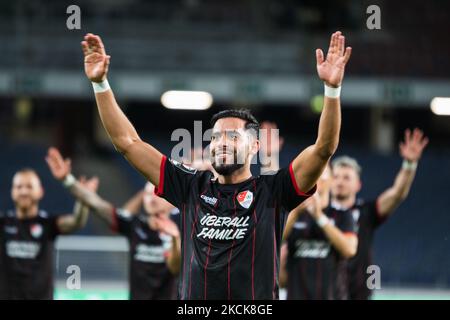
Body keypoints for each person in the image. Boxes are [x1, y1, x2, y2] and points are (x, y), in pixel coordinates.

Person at [80, 30, 352, 299]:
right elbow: (127, 143)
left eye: (233, 136)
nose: (221, 142)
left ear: (255, 146)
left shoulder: (274, 191)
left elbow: (323, 148)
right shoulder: (189, 187)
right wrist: (100, 84)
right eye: (216, 136)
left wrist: (331, 90)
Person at [45, 147, 181, 300]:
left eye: (156, 194)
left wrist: (176, 238)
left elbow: (176, 269)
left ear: (171, 200)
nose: (151, 198)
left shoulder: (182, 225)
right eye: (147, 193)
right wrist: (68, 180)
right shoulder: (135, 225)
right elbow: (97, 204)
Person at [330, 128, 428, 299]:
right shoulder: (320, 213)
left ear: (358, 185)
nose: (340, 181)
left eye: (346, 177)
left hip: (358, 293)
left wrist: (409, 165)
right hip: (325, 292)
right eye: (336, 176)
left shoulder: (366, 212)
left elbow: (397, 193)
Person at [0, 168, 90, 299]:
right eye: (19, 187)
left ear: (40, 191)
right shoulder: (3, 223)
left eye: (29, 187)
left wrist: (83, 199)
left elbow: (77, 222)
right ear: (12, 192)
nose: (24, 191)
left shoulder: (48, 223)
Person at [280, 166, 358, 300]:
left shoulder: (343, 214)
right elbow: (272, 239)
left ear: (331, 180)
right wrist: (295, 212)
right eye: (311, 172)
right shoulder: (293, 214)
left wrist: (319, 217)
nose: (314, 177)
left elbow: (349, 250)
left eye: (320, 173)